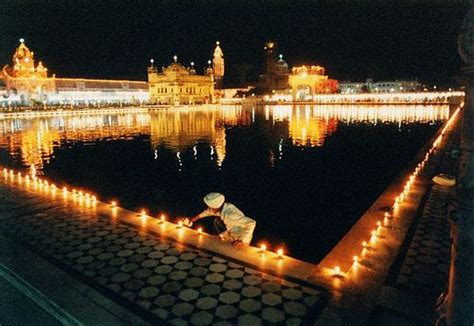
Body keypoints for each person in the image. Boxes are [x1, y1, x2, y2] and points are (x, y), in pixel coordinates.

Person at [190, 192, 256, 249]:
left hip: (240, 238)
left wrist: (242, 241)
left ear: (215, 207)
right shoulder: (224, 206)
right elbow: (208, 212)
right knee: (217, 238)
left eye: (210, 207)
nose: (209, 208)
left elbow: (251, 223)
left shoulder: (230, 215)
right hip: (231, 232)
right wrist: (196, 217)